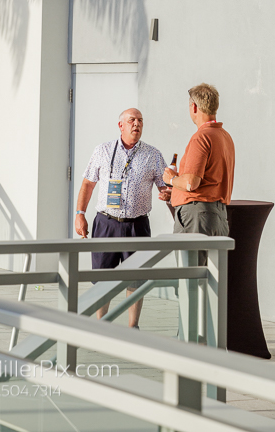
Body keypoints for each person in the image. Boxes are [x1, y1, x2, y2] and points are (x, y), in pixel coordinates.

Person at [74, 108, 170, 328]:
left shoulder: (153, 155)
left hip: (137, 224)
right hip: (106, 223)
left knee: (136, 279)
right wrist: (80, 214)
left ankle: (132, 326)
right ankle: (101, 325)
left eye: (140, 121)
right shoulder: (103, 150)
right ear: (121, 125)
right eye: (132, 120)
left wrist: (166, 193)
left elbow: (165, 187)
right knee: (102, 278)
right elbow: (88, 184)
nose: (137, 124)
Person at [164, 83, 235, 238]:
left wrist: (172, 179)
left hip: (197, 216)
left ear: (194, 107)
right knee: (215, 263)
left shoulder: (202, 137)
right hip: (218, 215)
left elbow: (191, 183)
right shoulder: (225, 137)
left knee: (191, 262)